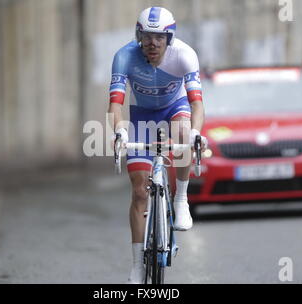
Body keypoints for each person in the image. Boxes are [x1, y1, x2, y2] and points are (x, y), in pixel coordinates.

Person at [107, 7, 207, 284]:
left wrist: (196, 132)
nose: (152, 44)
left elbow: (197, 103)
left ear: (170, 38)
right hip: (141, 117)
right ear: (138, 36)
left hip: (175, 108)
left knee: (186, 133)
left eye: (159, 38)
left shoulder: (184, 55)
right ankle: (138, 264)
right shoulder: (125, 56)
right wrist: (119, 131)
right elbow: (115, 104)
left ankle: (181, 198)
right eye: (146, 37)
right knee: (140, 191)